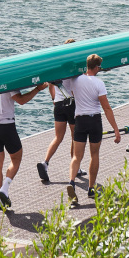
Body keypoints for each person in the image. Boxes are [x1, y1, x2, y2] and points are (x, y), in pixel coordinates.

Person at [0, 83, 47, 209]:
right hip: (7, 126)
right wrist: (37, 89)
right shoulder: (8, 83)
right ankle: (4, 189)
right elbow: (21, 100)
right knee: (16, 159)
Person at [64, 53, 122, 205]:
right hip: (94, 120)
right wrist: (116, 129)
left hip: (80, 121)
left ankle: (71, 182)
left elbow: (69, 92)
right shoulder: (99, 83)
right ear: (96, 67)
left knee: (77, 156)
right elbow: (106, 108)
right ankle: (91, 188)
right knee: (94, 154)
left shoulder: (75, 80)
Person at [37, 40, 79, 185]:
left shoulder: (57, 67)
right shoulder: (74, 67)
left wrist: (54, 99)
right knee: (75, 137)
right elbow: (75, 87)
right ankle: (76, 167)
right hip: (71, 103)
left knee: (58, 137)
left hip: (59, 104)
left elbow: (50, 85)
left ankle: (45, 162)